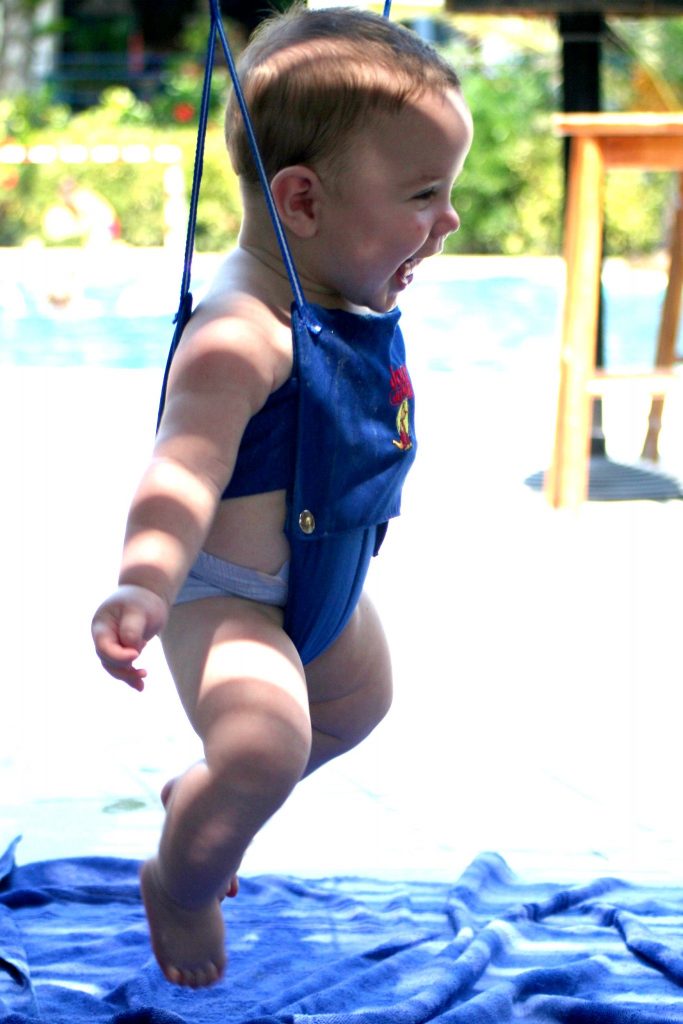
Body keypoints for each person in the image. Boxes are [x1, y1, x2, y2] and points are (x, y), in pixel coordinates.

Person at [91, 4, 473, 990]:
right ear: (300, 201)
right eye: (424, 194)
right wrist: (142, 583)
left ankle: (205, 801)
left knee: (358, 706)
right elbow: (181, 469)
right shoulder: (237, 333)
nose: (449, 220)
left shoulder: (339, 283)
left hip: (323, 573)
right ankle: (178, 880)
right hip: (224, 595)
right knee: (267, 743)